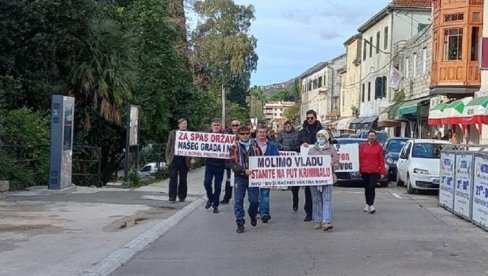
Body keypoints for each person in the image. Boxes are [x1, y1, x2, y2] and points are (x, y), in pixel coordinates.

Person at [228, 126, 260, 233]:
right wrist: (243, 170)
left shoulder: (256, 146)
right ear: (238, 135)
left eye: (247, 133)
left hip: (253, 178)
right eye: (242, 134)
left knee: (255, 201)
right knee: (238, 202)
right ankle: (240, 223)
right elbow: (232, 164)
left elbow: (262, 161)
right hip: (239, 178)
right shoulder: (233, 147)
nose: (245, 135)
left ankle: (252, 214)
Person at [308, 130, 339, 231]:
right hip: (315, 179)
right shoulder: (312, 150)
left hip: (328, 179)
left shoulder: (332, 149)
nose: (320, 137)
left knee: (326, 200)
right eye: (318, 136)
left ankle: (326, 221)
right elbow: (306, 164)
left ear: (326, 138)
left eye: (322, 136)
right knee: (316, 200)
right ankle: (318, 220)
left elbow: (337, 164)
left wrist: (332, 165)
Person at [298, 110, 323, 222]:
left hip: (320, 165)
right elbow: (296, 145)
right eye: (308, 118)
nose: (310, 120)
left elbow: (331, 142)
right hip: (307, 166)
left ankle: (320, 211)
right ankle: (309, 212)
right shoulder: (302, 132)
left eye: (312, 118)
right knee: (308, 191)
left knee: (321, 190)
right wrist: (302, 145)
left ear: (315, 118)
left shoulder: (322, 131)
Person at [255, 124, 279, 223]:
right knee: (255, 194)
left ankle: (265, 214)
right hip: (254, 173)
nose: (262, 134)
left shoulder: (272, 145)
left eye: (263, 132)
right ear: (256, 133)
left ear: (266, 133)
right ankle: (257, 211)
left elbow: (276, 158)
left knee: (265, 193)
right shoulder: (251, 144)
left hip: (267, 173)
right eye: (260, 132)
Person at [165, 118, 193, 203]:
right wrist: (167, 159)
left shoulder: (190, 134)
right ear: (178, 125)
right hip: (174, 158)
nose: (184, 125)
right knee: (173, 177)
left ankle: (182, 196)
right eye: (182, 124)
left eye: (185, 124)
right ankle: (172, 196)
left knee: (183, 179)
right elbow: (169, 146)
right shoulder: (173, 133)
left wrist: (193, 158)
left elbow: (193, 147)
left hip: (184, 159)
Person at [203, 118, 227, 214]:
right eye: (214, 125)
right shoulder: (206, 136)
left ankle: (215, 205)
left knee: (218, 186)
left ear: (220, 126)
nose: (216, 127)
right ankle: (211, 198)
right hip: (209, 164)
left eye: (218, 125)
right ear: (211, 126)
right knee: (207, 182)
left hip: (220, 164)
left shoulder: (225, 137)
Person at [359, 130, 385, 214]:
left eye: (373, 135)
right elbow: (360, 158)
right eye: (370, 135)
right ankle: (367, 204)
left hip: (374, 170)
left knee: (371, 187)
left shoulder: (379, 147)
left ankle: (371, 205)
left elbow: (381, 160)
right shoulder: (363, 146)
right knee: (366, 188)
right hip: (365, 170)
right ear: (368, 136)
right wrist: (359, 169)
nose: (371, 137)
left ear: (375, 137)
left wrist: (382, 172)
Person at [277, 120, 301, 211]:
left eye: (289, 126)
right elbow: (277, 143)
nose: (288, 128)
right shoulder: (281, 134)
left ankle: (295, 201)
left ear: (291, 126)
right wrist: (283, 147)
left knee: (295, 181)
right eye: (286, 126)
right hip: (284, 158)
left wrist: (295, 148)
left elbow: (299, 144)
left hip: (294, 159)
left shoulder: (297, 133)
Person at [220, 119, 241, 204]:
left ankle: (239, 198)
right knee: (229, 179)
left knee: (239, 181)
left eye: (237, 125)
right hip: (230, 161)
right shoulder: (226, 136)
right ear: (231, 126)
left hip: (241, 163)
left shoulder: (244, 135)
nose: (235, 127)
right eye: (233, 125)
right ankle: (227, 198)